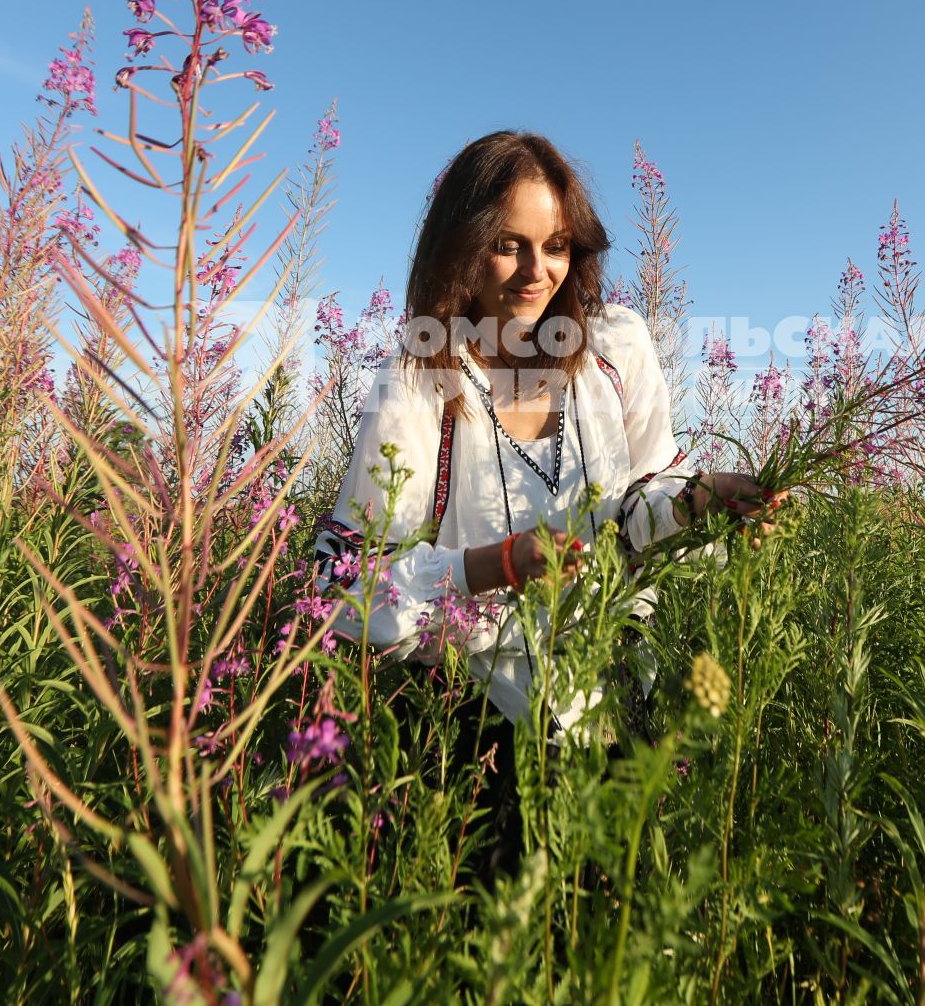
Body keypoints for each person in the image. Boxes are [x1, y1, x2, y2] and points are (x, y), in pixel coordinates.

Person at [310, 130, 781, 878]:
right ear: (459, 248)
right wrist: (497, 564)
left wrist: (696, 501)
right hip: (475, 733)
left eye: (557, 244)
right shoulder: (418, 382)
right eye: (508, 245)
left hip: (611, 700)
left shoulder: (612, 352)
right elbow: (339, 583)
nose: (539, 272)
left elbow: (636, 503)